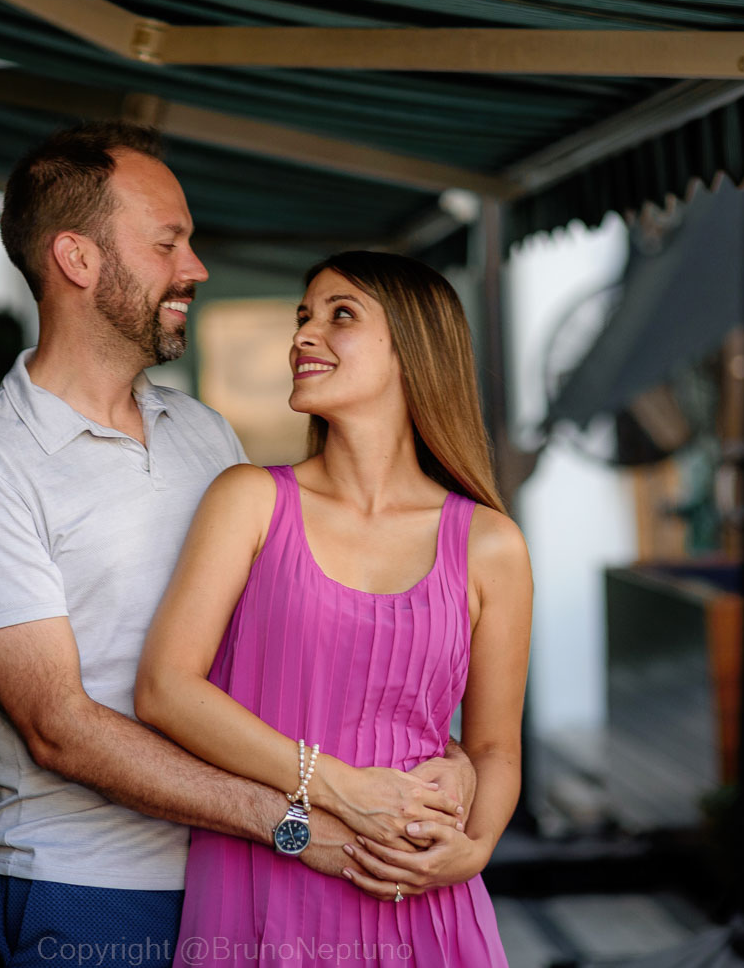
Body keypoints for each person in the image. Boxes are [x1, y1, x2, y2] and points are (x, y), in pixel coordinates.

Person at [0, 124, 473, 968]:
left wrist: (453, 763)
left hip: (255, 878)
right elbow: (58, 728)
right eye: (168, 242)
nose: (196, 268)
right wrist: (296, 821)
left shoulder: (203, 433)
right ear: (78, 258)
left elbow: (296, 643)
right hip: (98, 893)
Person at [136, 251, 534, 967]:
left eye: (339, 314)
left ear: (412, 349)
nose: (304, 335)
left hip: (421, 900)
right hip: (263, 885)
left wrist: (470, 853)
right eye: (303, 316)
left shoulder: (490, 544)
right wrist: (340, 790)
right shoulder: (249, 500)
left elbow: (497, 748)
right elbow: (166, 689)